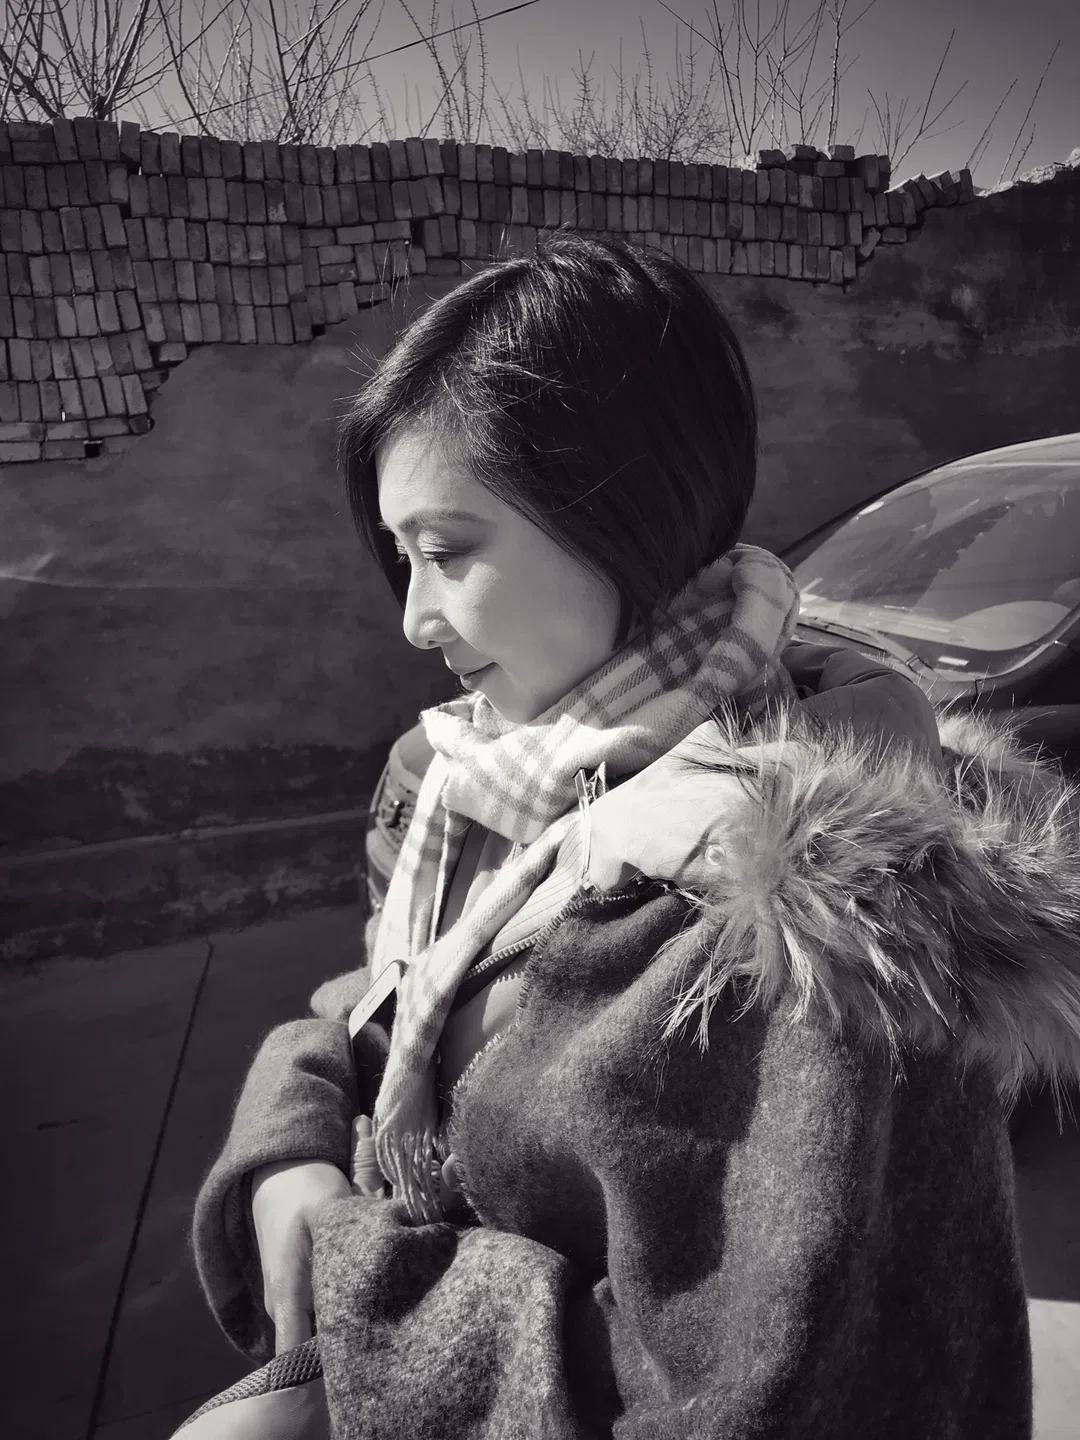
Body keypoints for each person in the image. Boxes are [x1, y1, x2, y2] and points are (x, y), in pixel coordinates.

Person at [179, 233, 1080, 1439]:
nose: (414, 619)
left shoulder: (812, 926)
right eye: (402, 559)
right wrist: (292, 1133)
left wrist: (356, 1288)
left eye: (446, 553)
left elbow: (740, 1395)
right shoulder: (483, 773)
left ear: (621, 512)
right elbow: (396, 995)